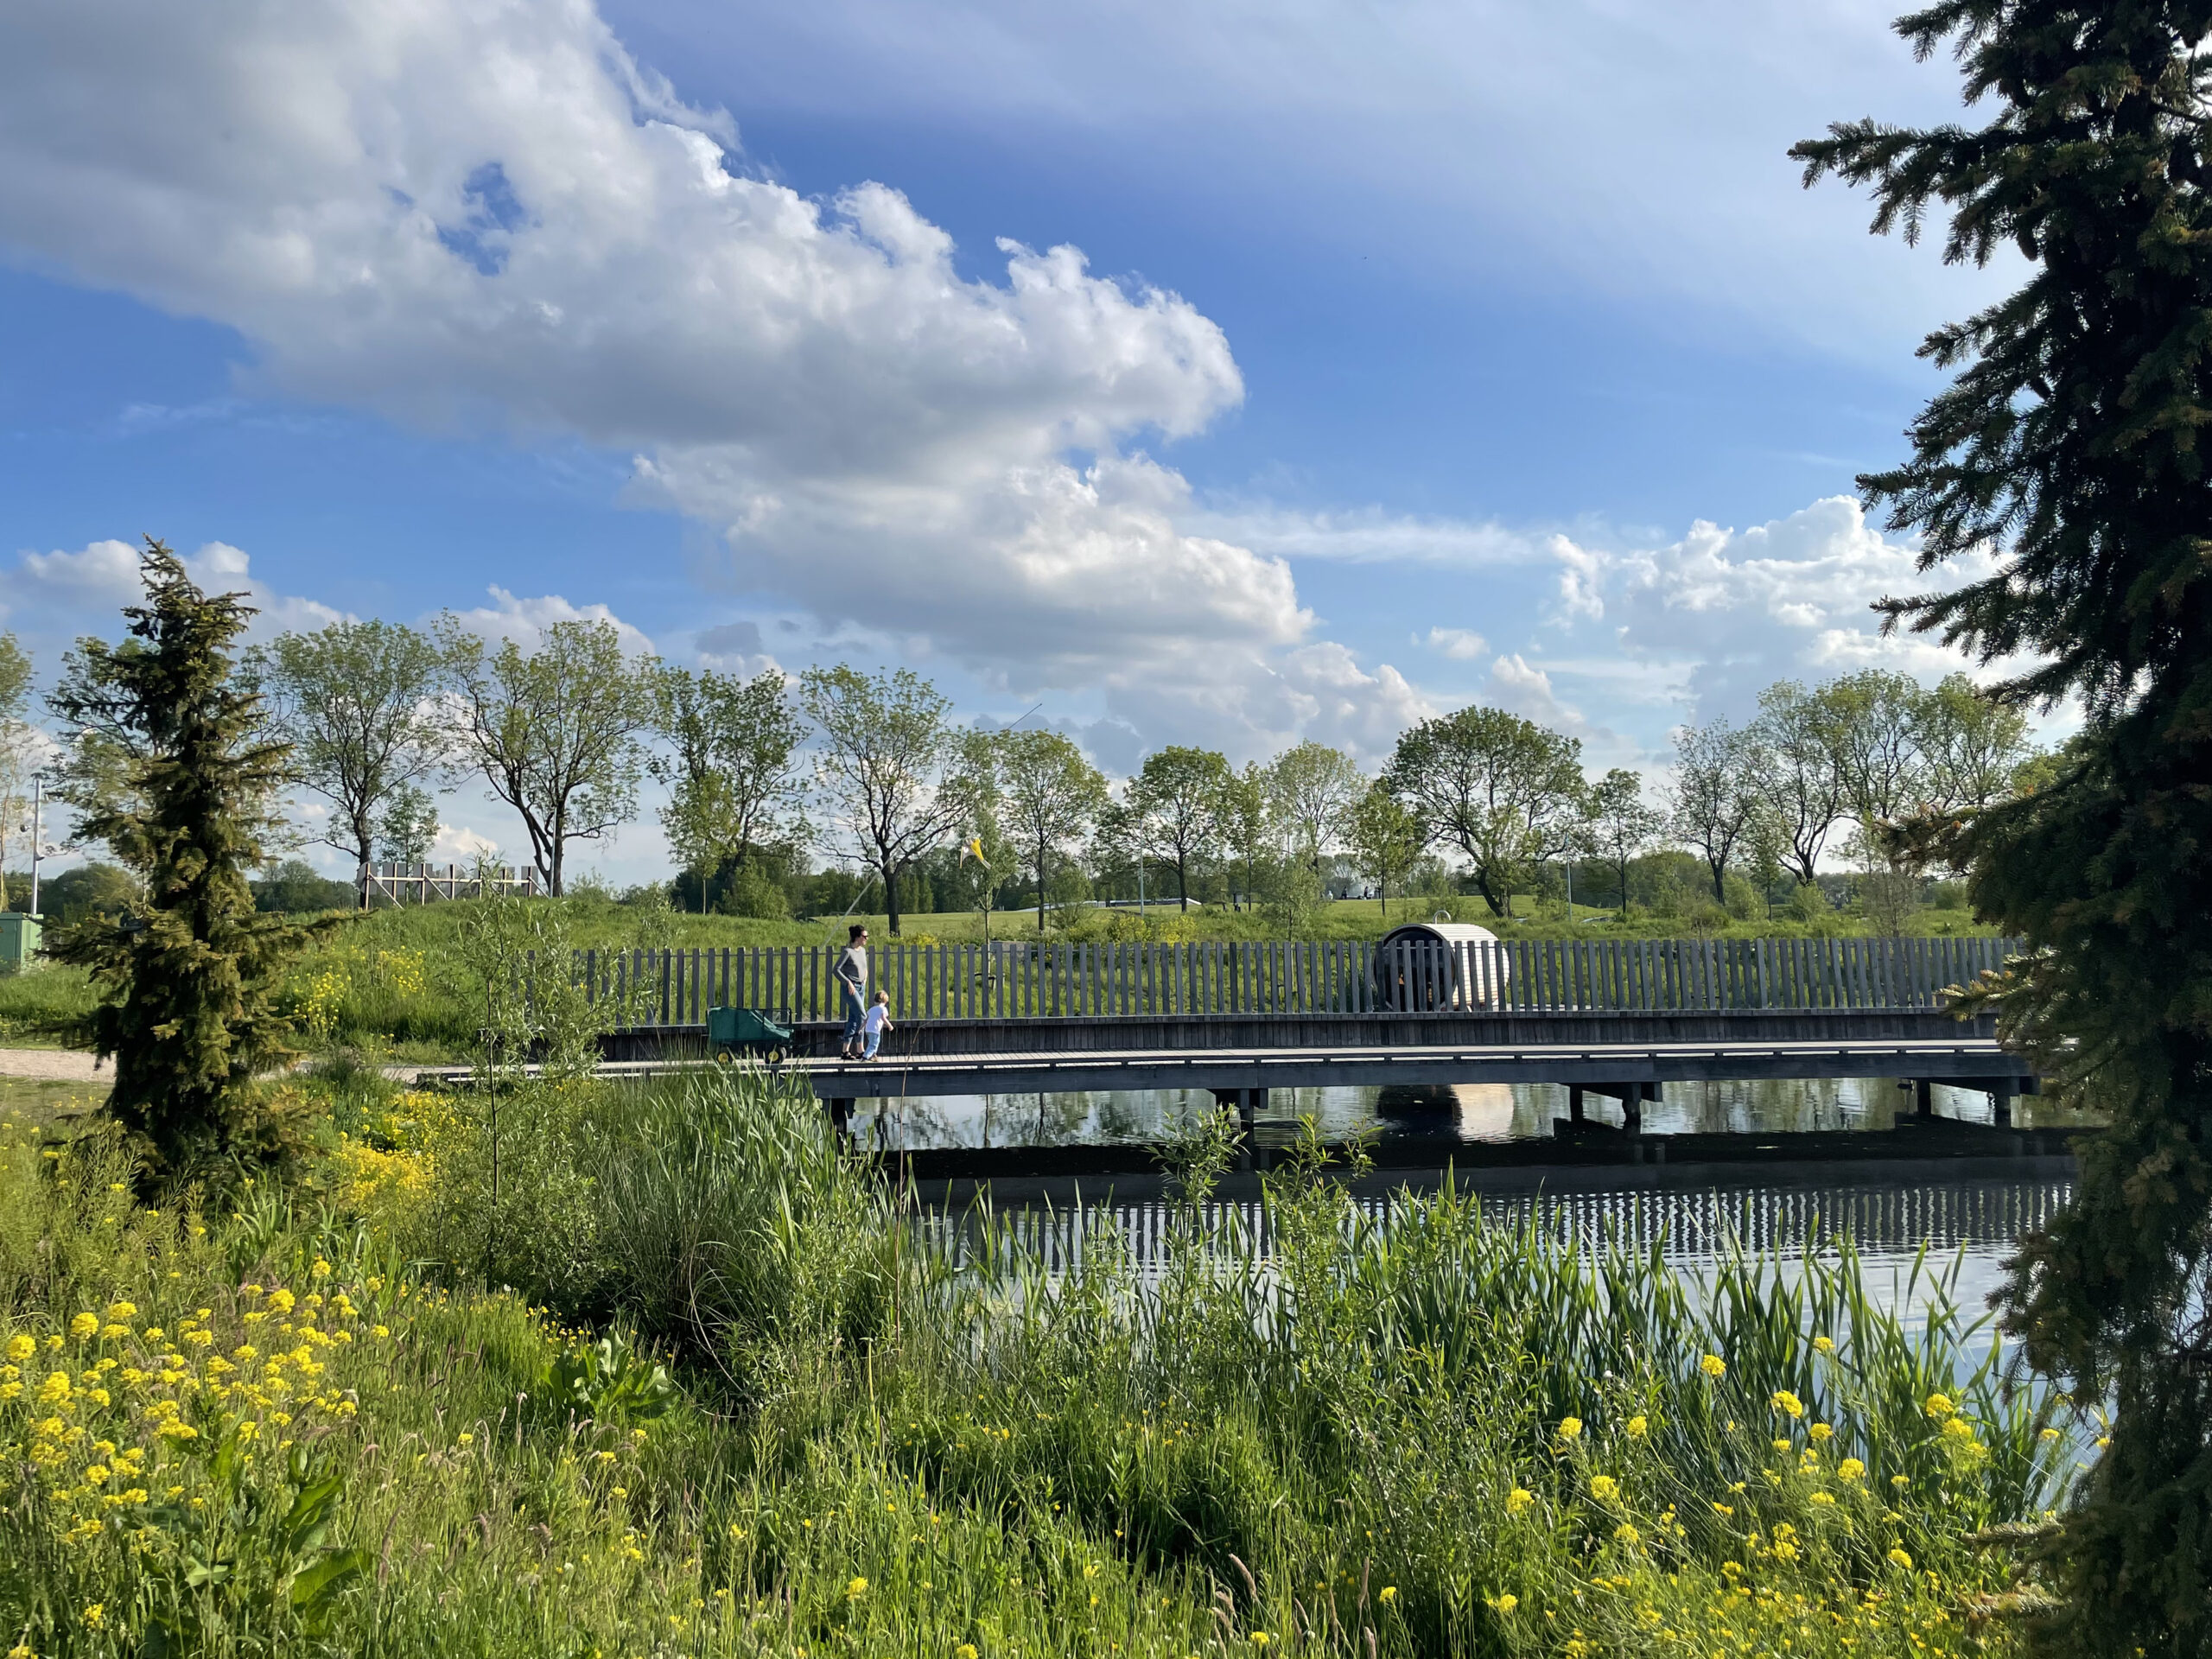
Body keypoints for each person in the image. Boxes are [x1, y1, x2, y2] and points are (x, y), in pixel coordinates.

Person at [836, 923, 868, 1059]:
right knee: (863, 1016)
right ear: (857, 937)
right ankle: (861, 1049)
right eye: (864, 936)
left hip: (861, 986)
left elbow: (864, 967)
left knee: (854, 1019)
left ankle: (845, 1051)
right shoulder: (847, 952)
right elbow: (835, 970)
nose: (866, 939)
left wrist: (865, 978)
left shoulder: (862, 951)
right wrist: (848, 982)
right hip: (851, 988)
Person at [861, 989, 893, 1060]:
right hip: (875, 1030)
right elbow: (883, 1018)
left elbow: (866, 1020)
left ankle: (873, 1056)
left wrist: (861, 1029)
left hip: (868, 1030)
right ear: (885, 1001)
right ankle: (865, 1057)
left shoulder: (871, 1009)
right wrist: (890, 1026)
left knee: (874, 1043)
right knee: (873, 1045)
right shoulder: (883, 1009)